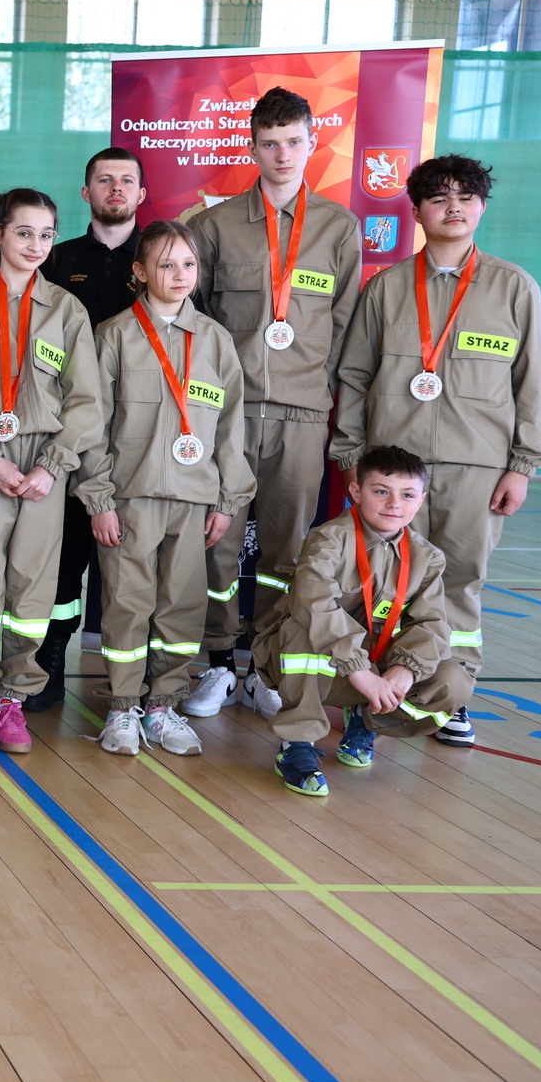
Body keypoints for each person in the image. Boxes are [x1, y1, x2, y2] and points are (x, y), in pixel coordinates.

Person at [331, 154, 539, 747]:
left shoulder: (514, 288)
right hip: (393, 472)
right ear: (417, 210)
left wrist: (522, 466)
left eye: (466, 197)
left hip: (478, 469)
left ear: (481, 207)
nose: (454, 207)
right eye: (439, 197)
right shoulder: (387, 287)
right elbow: (354, 376)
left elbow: (533, 385)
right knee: (379, 584)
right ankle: (368, 701)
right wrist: (351, 457)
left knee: (461, 581)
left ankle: (455, 695)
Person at [189, 86, 361, 721]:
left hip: (303, 414)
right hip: (226, 418)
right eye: (270, 143)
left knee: (286, 551)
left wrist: (318, 392)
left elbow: (343, 324)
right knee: (219, 545)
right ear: (253, 147)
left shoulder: (339, 228)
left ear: (313, 142)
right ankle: (215, 664)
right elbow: (196, 322)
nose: (283, 154)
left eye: (294, 142)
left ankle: (265, 666)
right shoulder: (214, 226)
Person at [0, 189, 106, 755]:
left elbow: (85, 401)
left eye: (46, 235)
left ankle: (16, 698)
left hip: (42, 470)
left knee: (32, 586)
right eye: (24, 232)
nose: (35, 245)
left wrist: (53, 467)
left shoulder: (66, 311)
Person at [74, 220, 254, 756]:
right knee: (128, 603)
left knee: (182, 605)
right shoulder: (114, 336)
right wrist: (100, 498)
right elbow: (93, 426)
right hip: (131, 497)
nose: (179, 275)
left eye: (189, 265)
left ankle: (163, 706)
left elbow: (230, 427)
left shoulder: (216, 341)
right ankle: (124, 706)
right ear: (140, 271)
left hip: (196, 501)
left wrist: (226, 501)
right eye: (166, 264)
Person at [251, 446, 474, 796]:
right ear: (356, 492)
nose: (394, 504)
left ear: (421, 500)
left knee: (454, 681)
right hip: (321, 667)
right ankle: (295, 745)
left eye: (407, 495)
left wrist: (405, 670)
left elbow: (431, 623)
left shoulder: (427, 558)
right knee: (301, 629)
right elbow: (314, 603)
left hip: (375, 672)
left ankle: (368, 722)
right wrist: (360, 672)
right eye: (381, 491)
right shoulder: (329, 539)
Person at [30, 146, 147, 710]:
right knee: (66, 554)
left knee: (138, 558)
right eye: (105, 180)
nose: (116, 189)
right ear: (87, 192)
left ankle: (139, 679)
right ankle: (51, 655)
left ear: (142, 195)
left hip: (140, 435)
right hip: (69, 432)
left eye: (126, 181)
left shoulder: (161, 261)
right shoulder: (56, 259)